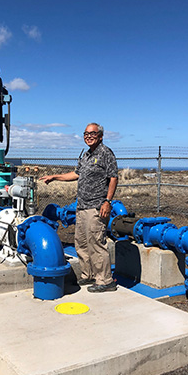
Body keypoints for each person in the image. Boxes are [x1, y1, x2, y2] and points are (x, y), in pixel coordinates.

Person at [40, 123, 118, 292]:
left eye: (93, 133)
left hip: (96, 206)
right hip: (82, 206)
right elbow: (76, 174)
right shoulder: (86, 155)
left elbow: (113, 178)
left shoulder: (105, 153)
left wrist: (107, 201)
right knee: (81, 243)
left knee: (96, 243)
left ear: (100, 136)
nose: (89, 136)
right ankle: (88, 275)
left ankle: (105, 280)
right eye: (86, 134)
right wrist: (55, 177)